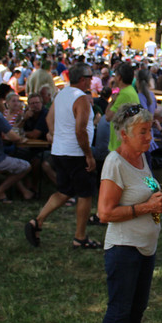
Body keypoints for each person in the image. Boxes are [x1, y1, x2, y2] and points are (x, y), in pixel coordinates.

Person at [94, 105, 162, 323]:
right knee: (119, 307)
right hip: (124, 248)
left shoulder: (141, 157)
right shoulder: (115, 162)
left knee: (137, 306)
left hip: (146, 246)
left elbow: (146, 189)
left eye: (149, 131)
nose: (150, 137)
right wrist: (147, 207)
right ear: (124, 135)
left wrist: (161, 198)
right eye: (143, 132)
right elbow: (105, 213)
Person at [25, 63, 100, 249]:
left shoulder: (61, 95)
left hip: (60, 151)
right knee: (85, 194)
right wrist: (89, 155)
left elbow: (49, 119)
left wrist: (56, 135)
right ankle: (80, 237)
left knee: (64, 191)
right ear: (82, 79)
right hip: (76, 153)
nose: (91, 80)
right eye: (89, 77)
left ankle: (37, 221)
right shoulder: (81, 99)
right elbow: (80, 130)